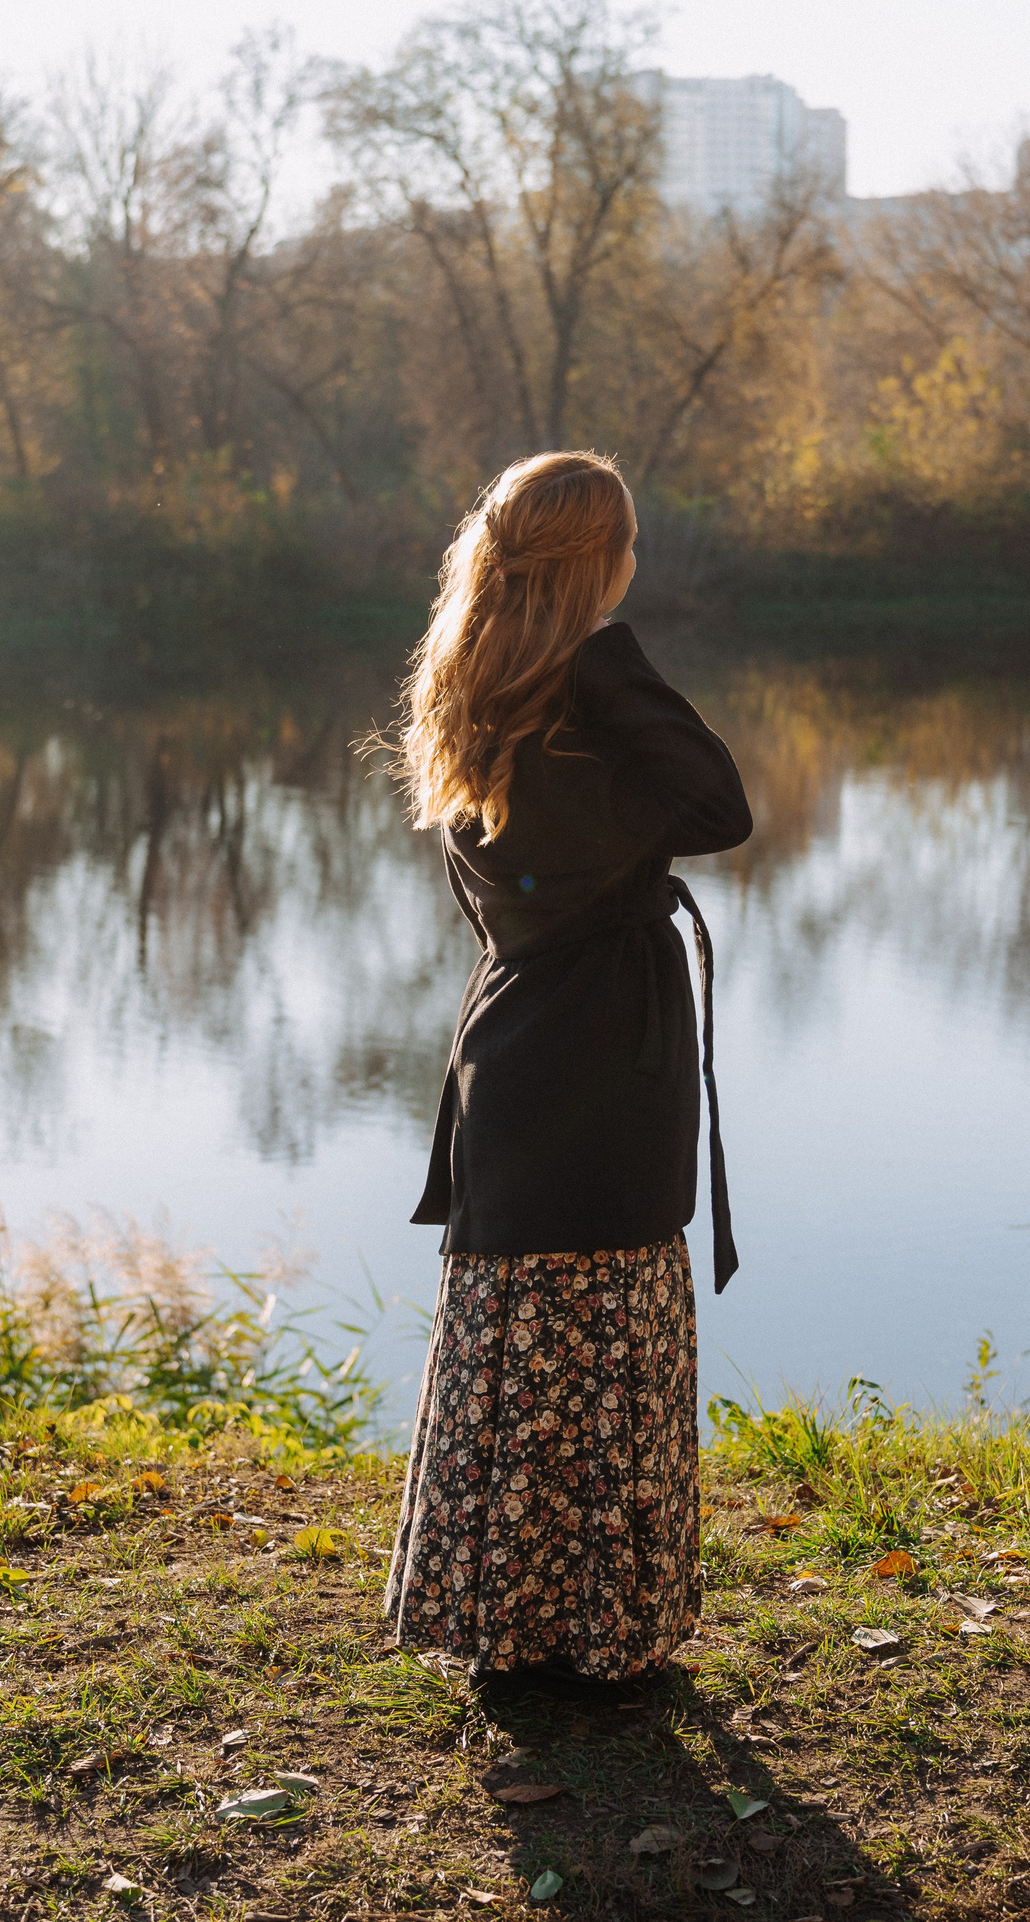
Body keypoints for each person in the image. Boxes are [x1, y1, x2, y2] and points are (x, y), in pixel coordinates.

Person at [382, 449, 753, 1689]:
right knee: (598, 1335)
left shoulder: (476, 695)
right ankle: (599, 1637)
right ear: (601, 565)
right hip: (594, 1055)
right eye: (625, 550)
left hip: (516, 1051)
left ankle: (508, 1629)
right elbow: (718, 803)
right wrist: (607, 647)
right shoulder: (580, 698)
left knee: (523, 1340)